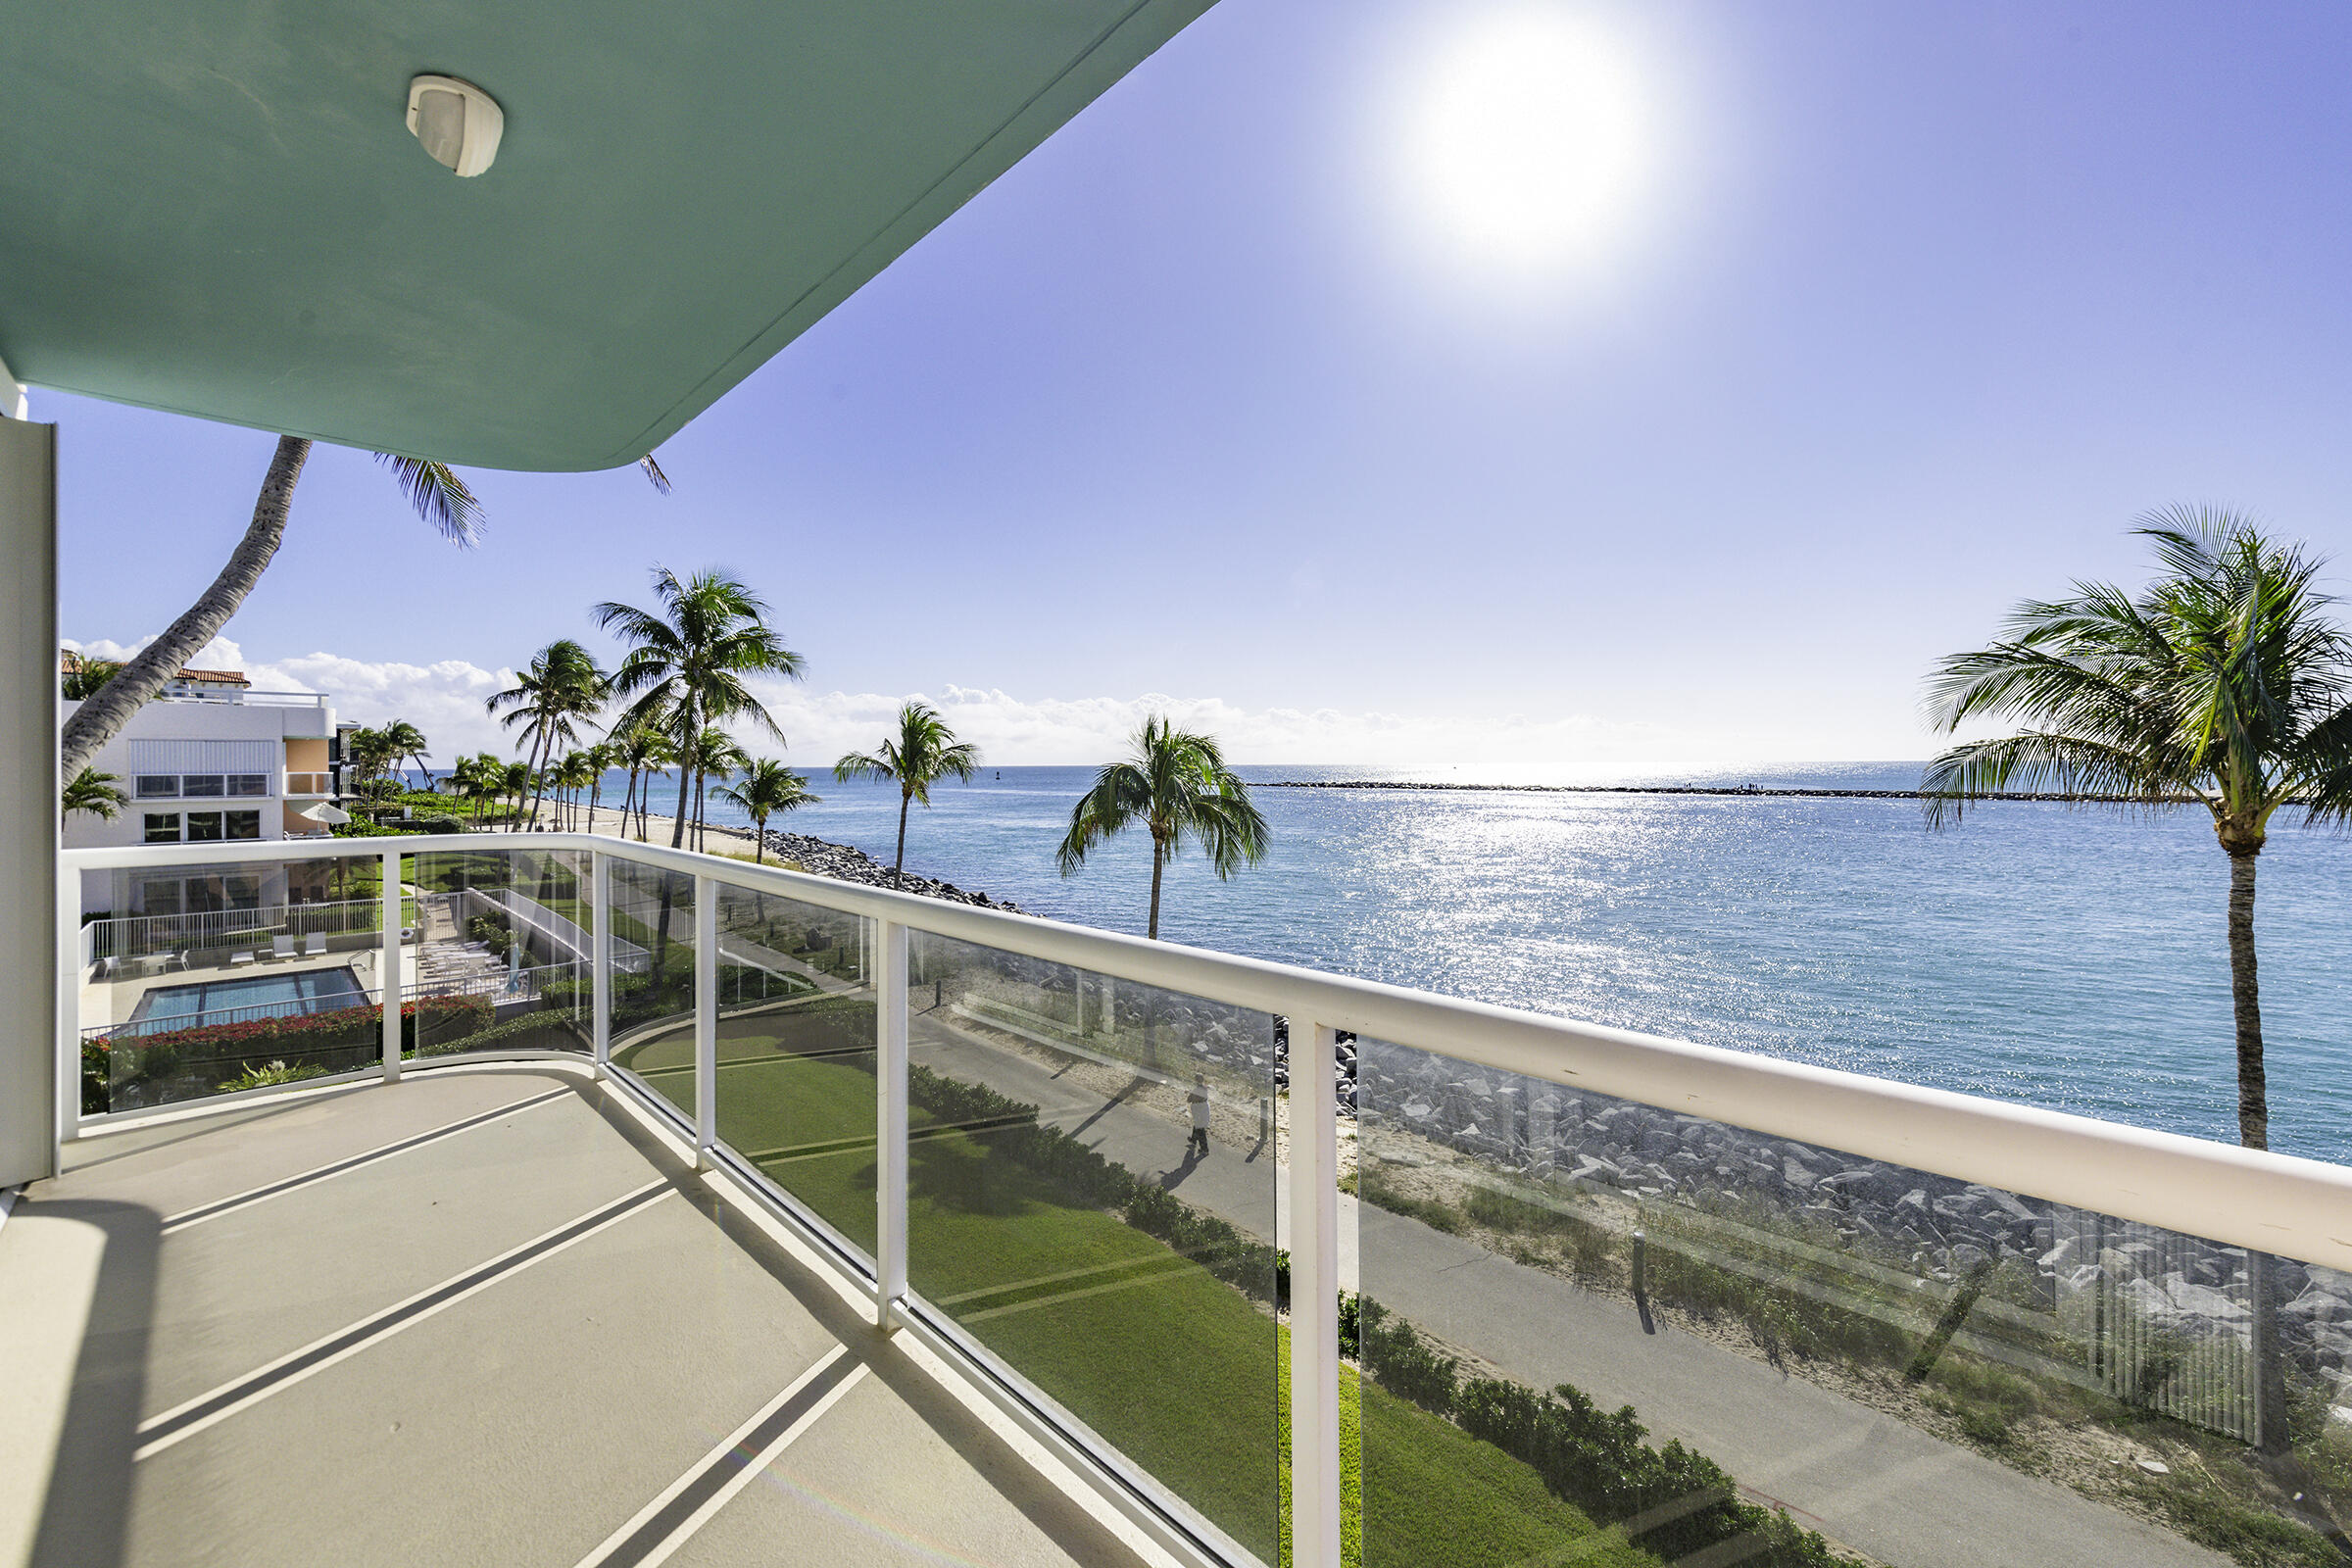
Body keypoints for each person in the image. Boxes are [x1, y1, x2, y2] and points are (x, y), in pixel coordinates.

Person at [1187, 1074, 1211, 1158]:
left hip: (1200, 1109)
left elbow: (1190, 1099)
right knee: (1197, 1124)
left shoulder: (1198, 1089)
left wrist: (1190, 1097)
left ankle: (1205, 1149)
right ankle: (1193, 1140)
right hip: (1202, 1108)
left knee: (1200, 1129)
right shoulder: (1203, 1088)